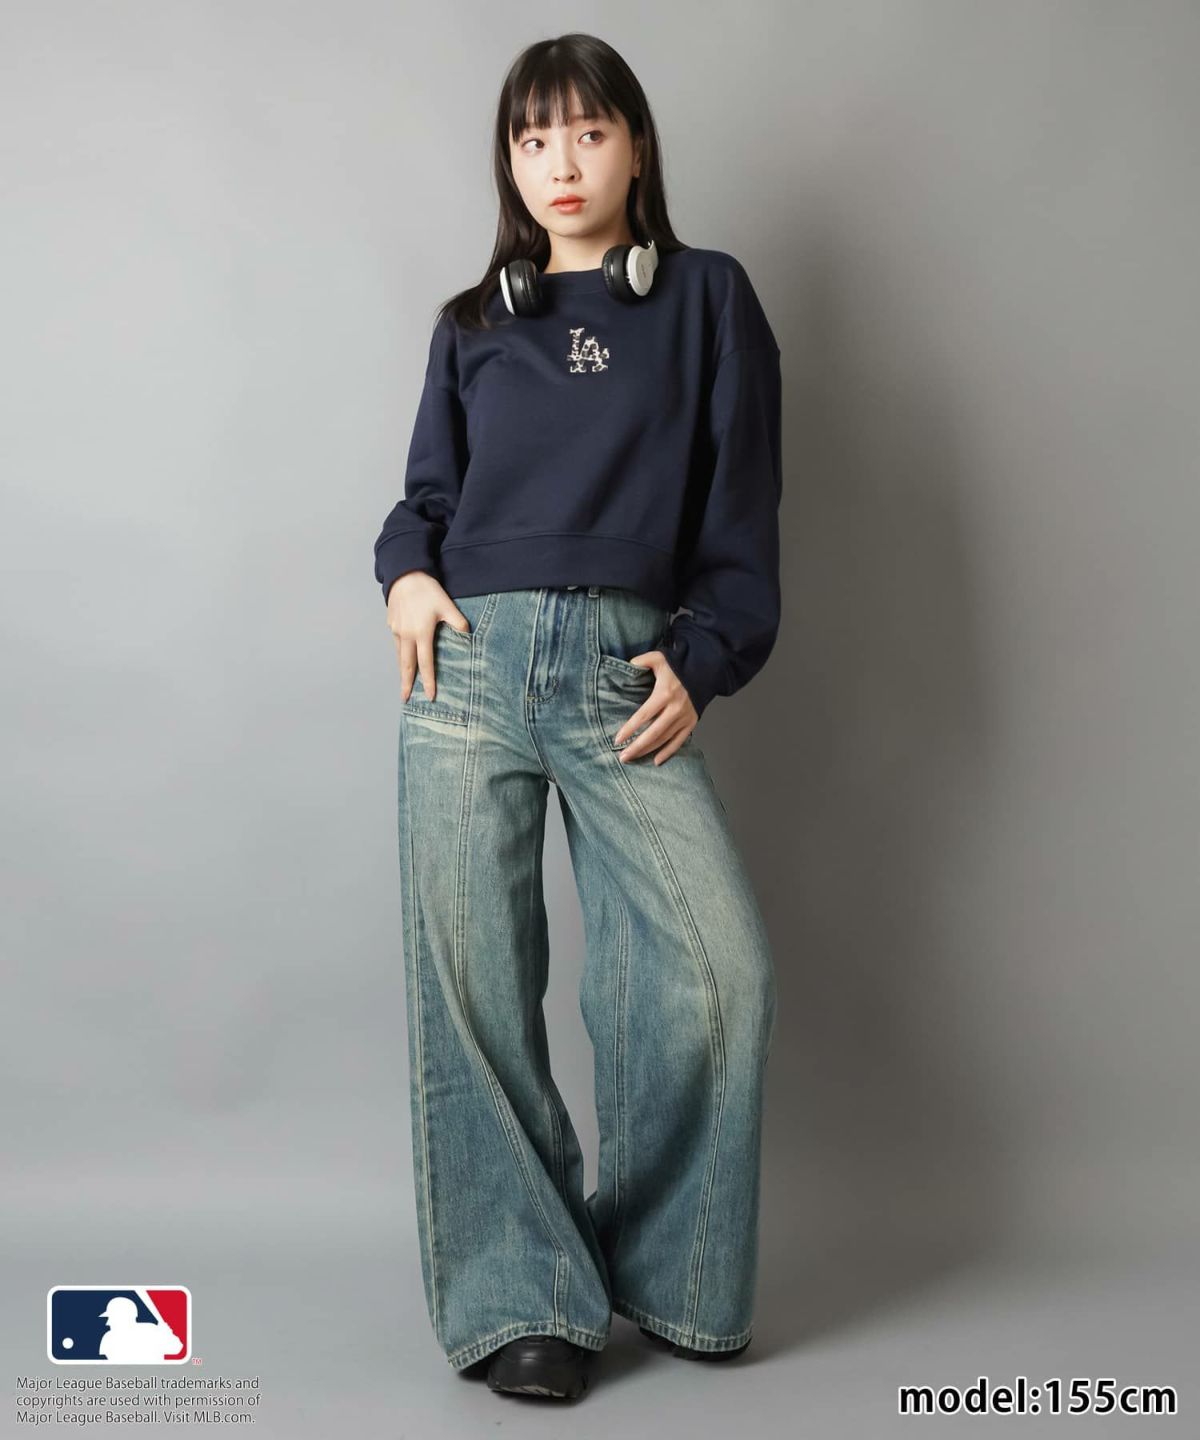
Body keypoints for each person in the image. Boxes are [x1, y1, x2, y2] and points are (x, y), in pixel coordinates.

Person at [373, 33, 782, 1403]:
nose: (561, 162)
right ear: (509, 160)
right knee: (475, 989)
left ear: (636, 147)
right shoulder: (473, 324)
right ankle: (524, 1300)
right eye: (533, 137)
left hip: (621, 671)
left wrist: (703, 656)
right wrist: (406, 576)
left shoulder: (708, 298)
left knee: (716, 970)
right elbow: (425, 500)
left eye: (589, 132)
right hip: (467, 671)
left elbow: (741, 515)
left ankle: (664, 1270)